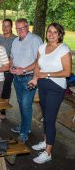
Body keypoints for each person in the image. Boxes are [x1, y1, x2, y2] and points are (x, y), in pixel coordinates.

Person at [28, 23, 71, 164]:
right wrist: (35, 78)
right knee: (45, 116)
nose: (51, 34)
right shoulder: (42, 47)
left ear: (60, 35)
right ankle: (46, 141)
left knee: (50, 119)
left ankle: (48, 153)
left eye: (54, 32)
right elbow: (38, 65)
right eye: (49, 31)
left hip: (56, 87)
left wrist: (46, 74)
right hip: (43, 86)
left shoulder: (63, 49)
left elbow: (67, 72)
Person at [10, 18, 43, 143]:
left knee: (25, 104)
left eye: (22, 28)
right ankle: (25, 125)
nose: (20, 30)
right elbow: (12, 57)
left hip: (29, 77)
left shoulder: (35, 39)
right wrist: (12, 66)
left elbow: (39, 61)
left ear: (27, 27)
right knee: (20, 103)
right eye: (17, 28)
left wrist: (23, 70)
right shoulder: (15, 41)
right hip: (17, 78)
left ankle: (24, 132)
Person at [0, 19, 17, 119]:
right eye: (4, 26)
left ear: (11, 27)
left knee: (6, 88)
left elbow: (15, 55)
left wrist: (7, 63)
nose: (5, 28)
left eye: (7, 26)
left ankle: (3, 110)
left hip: (8, 68)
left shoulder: (15, 39)